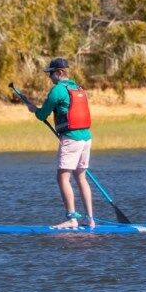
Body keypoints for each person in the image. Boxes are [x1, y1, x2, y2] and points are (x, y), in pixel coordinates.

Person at [23, 58, 95, 229]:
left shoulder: (58, 90)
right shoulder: (78, 88)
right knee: (81, 177)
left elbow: (42, 115)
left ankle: (72, 218)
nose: (50, 77)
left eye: (51, 74)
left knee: (62, 177)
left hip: (71, 138)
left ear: (60, 72)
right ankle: (91, 219)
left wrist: (34, 109)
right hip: (86, 138)